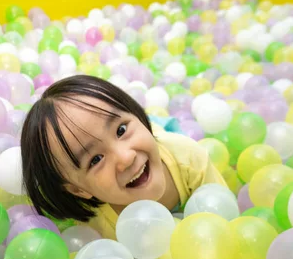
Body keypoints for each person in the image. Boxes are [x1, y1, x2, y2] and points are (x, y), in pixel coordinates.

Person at [21, 75, 226, 240]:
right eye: (95, 160)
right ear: (78, 189)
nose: (125, 157)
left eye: (120, 130)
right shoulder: (97, 229)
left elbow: (224, 217)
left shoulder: (189, 157)